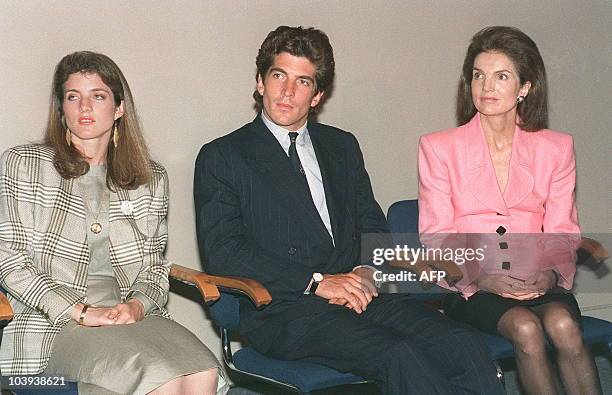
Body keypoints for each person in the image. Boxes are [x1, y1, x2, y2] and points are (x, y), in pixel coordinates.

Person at [195, 26, 503, 394]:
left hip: (361, 292)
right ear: (260, 82)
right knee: (399, 354)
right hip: (287, 310)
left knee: (461, 343)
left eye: (303, 82)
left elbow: (370, 223)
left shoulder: (341, 146)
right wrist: (318, 283)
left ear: (318, 95)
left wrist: (367, 271)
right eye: (279, 76)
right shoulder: (224, 156)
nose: (287, 92)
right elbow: (225, 254)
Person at [0, 51, 227, 394]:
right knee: (161, 380)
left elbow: (154, 267)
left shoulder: (149, 178)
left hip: (128, 313)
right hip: (54, 320)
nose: (85, 107)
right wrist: (80, 311)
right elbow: (11, 262)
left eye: (98, 96)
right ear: (61, 109)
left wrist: (136, 305)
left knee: (203, 373)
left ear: (119, 108)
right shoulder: (24, 165)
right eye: (73, 97)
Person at [418, 26, 602, 394]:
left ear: (525, 87)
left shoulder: (556, 148)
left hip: (539, 278)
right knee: (526, 329)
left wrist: (549, 274)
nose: (486, 86)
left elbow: (563, 229)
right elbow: (436, 235)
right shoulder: (439, 148)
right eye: (478, 75)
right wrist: (481, 277)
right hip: (473, 285)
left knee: (563, 326)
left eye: (501, 76)